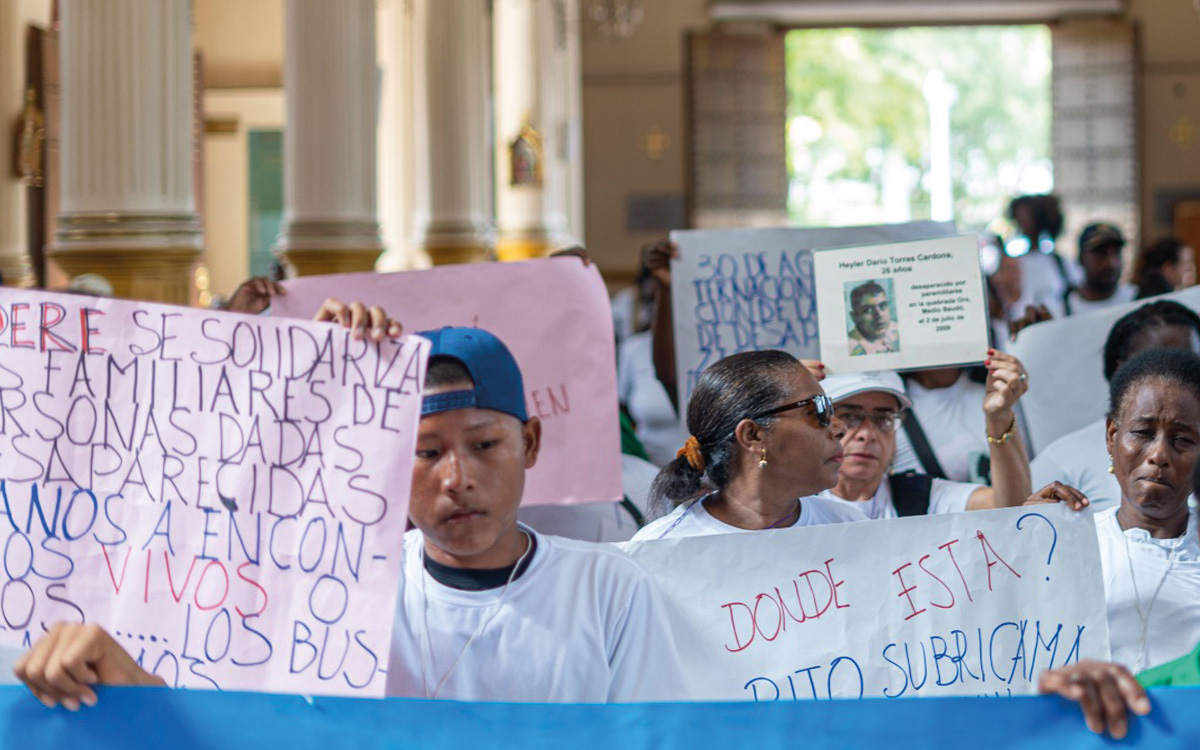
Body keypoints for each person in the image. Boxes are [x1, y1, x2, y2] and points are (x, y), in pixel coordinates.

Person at [14, 315, 687, 706]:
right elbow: (235, 727)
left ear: (530, 443)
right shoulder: (335, 595)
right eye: (426, 453)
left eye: (484, 445)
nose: (458, 478)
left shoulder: (609, 591)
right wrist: (112, 673)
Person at [633, 350, 866, 539]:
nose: (840, 427)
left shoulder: (853, 530)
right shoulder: (662, 550)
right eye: (818, 410)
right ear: (752, 435)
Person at [816, 352, 1033, 519]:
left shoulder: (920, 497)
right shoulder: (793, 503)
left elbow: (1011, 508)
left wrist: (999, 417)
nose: (867, 434)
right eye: (849, 416)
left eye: (883, 419)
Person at [1031, 300, 1200, 511]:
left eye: (1189, 366)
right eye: (1155, 367)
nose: (1171, 382)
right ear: (1111, 436)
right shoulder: (1062, 462)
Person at [1094, 347, 1200, 673]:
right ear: (1113, 436)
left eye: (1182, 440)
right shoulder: (1072, 543)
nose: (1158, 455)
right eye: (1143, 433)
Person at [1063, 223, 1137, 316]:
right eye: (1101, 253)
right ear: (1081, 258)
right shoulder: (1062, 311)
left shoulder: (1137, 299)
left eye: (1116, 253)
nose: (1111, 263)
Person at [846, 280, 900, 356]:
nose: (879, 314)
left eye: (883, 306)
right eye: (868, 310)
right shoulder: (850, 349)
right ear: (854, 317)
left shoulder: (896, 329)